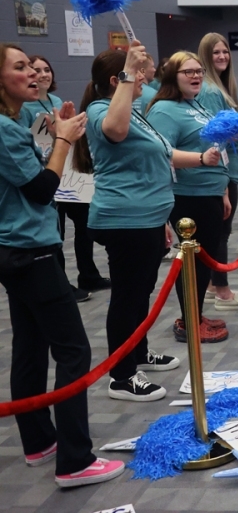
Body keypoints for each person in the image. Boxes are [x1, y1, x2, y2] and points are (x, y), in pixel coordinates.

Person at [0, 43, 125, 487]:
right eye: (21, 68)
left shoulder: (17, 122)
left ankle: (38, 441)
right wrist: (63, 140)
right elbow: (41, 189)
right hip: (29, 250)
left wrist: (56, 134)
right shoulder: (5, 128)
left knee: (30, 345)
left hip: (20, 246)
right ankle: (75, 460)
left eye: (34, 67)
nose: (34, 74)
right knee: (73, 351)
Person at [73, 46, 182, 401]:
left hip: (147, 216)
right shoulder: (100, 109)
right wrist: (128, 72)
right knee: (127, 296)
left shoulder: (133, 110)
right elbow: (115, 131)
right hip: (125, 219)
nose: (144, 79)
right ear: (116, 80)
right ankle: (121, 376)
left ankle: (138, 352)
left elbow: (162, 155)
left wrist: (204, 158)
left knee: (141, 291)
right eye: (137, 74)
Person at [146, 51, 230, 343]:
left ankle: (195, 314)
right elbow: (161, 155)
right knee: (193, 264)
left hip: (210, 192)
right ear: (173, 76)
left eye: (199, 71)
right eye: (188, 72)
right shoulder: (164, 110)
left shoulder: (195, 103)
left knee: (204, 262)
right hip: (188, 196)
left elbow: (216, 147)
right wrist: (200, 160)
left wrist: (223, 190)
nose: (196, 76)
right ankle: (189, 322)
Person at [26, 55, 108, 301]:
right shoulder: (27, 107)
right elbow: (38, 144)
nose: (43, 74)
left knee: (83, 223)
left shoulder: (56, 101)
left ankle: (88, 274)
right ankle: (60, 282)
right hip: (46, 172)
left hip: (67, 174)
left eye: (47, 69)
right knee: (57, 230)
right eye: (37, 70)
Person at [196, 33, 238, 312]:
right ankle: (223, 292)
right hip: (221, 170)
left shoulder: (223, 86)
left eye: (225, 51)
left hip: (228, 168)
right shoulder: (211, 91)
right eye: (216, 53)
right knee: (221, 232)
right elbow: (217, 137)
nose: (222, 56)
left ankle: (214, 285)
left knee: (222, 231)